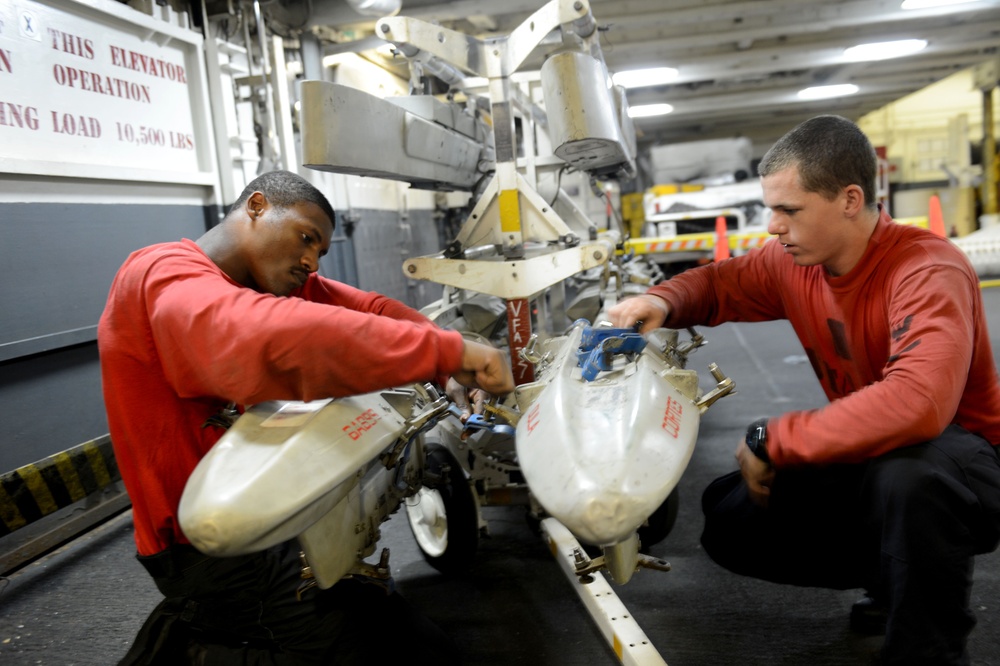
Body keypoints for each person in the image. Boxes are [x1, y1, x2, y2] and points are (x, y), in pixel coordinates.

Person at [608, 115, 1000, 665]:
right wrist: (664, 301)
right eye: (772, 209)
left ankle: (928, 649)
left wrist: (774, 436)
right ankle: (890, 574)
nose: (773, 226)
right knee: (729, 515)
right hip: (881, 450)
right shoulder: (794, 263)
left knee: (909, 477)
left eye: (788, 211)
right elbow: (720, 283)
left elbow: (918, 405)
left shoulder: (926, 269)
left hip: (965, 465)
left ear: (849, 199)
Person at [98, 169, 514, 665]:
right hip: (211, 551)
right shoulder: (163, 274)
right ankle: (191, 645)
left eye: (320, 251)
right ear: (256, 208)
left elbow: (368, 309)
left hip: (274, 518)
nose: (310, 261)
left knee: (416, 642)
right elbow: (259, 337)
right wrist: (444, 352)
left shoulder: (261, 276)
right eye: (306, 238)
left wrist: (453, 356)